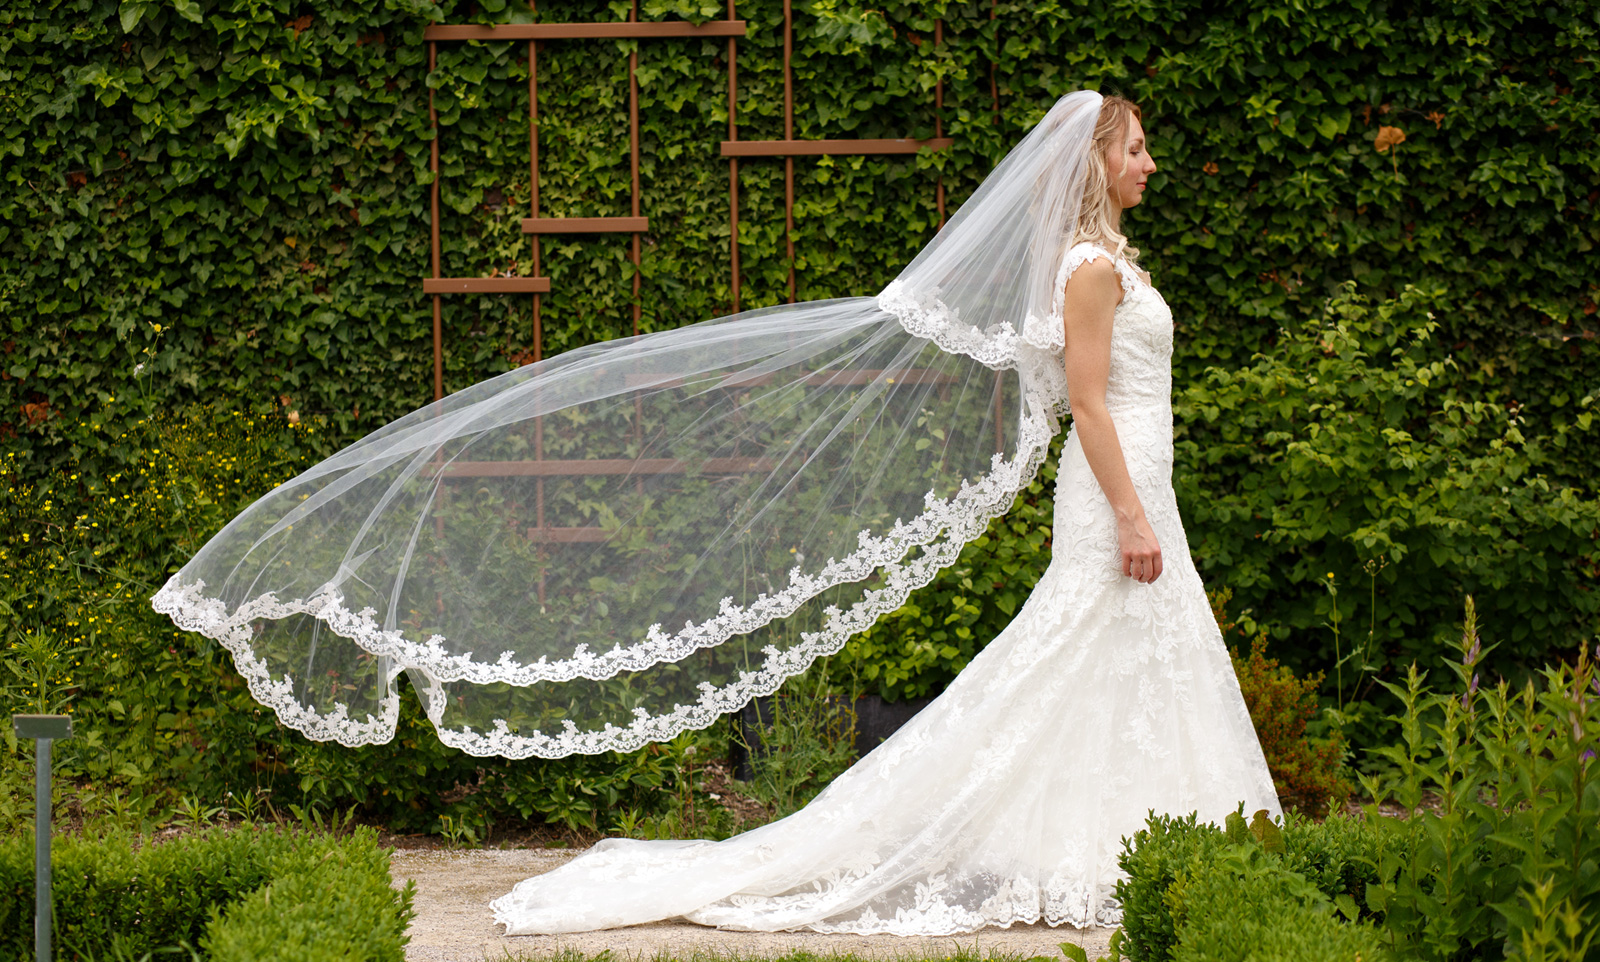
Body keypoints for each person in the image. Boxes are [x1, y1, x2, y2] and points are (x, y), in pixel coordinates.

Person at [152, 90, 1279, 934]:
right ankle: (1072, 836)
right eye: (1134, 145)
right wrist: (1130, 512)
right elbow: (1085, 401)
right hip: (1118, 493)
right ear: (1096, 158)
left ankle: (1125, 836)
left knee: (1119, 661)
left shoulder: (1109, 261)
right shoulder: (1089, 268)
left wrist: (1146, 500)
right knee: (1069, 657)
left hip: (1143, 488)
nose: (1149, 161)